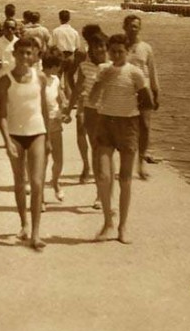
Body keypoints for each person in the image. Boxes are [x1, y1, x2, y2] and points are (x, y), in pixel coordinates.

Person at [88, 33, 153, 244]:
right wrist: (102, 81)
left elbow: (147, 102)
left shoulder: (135, 73)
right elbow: (92, 98)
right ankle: (108, 221)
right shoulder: (103, 70)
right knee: (104, 176)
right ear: (108, 51)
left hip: (128, 125)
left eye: (120, 51)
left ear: (127, 52)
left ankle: (123, 226)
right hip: (106, 123)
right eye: (113, 51)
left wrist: (142, 133)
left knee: (125, 180)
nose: (116, 55)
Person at [0, 37, 49, 250]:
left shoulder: (41, 78)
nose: (26, 57)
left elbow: (44, 110)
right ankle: (24, 224)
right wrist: (6, 141)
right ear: (14, 54)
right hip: (15, 135)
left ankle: (36, 234)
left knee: (37, 183)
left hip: (37, 133)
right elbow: (2, 115)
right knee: (20, 181)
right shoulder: (5, 80)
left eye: (30, 53)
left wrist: (50, 140)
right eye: (22, 53)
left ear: (35, 55)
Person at [66, 29, 109, 206]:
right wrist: (68, 109)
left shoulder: (113, 66)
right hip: (91, 112)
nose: (100, 49)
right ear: (90, 49)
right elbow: (77, 88)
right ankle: (100, 195)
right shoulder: (85, 66)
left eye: (102, 46)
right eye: (96, 46)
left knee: (105, 155)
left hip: (110, 114)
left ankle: (105, 190)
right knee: (97, 152)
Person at [123, 14, 160, 180]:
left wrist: (156, 92)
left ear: (140, 28)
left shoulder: (146, 48)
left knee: (144, 126)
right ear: (124, 27)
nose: (133, 29)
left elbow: (152, 72)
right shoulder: (119, 45)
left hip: (143, 91)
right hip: (124, 91)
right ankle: (126, 163)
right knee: (125, 128)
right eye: (130, 25)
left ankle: (141, 163)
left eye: (136, 26)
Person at [42, 48, 67, 203]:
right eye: (58, 65)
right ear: (52, 65)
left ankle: (55, 182)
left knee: (59, 160)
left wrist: (64, 105)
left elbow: (60, 96)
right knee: (42, 161)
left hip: (55, 123)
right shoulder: (38, 79)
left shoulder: (56, 79)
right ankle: (41, 197)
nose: (60, 68)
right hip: (41, 124)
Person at [51, 9, 82, 97]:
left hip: (60, 55)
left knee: (57, 78)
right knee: (68, 78)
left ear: (60, 19)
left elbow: (52, 45)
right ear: (69, 19)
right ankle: (70, 99)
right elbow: (77, 47)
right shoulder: (74, 32)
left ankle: (59, 98)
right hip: (71, 56)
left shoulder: (56, 31)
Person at [0, 18, 18, 101]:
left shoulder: (19, 42)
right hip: (1, 77)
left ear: (15, 29)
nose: (10, 30)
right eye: (7, 27)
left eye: (12, 28)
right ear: (3, 29)